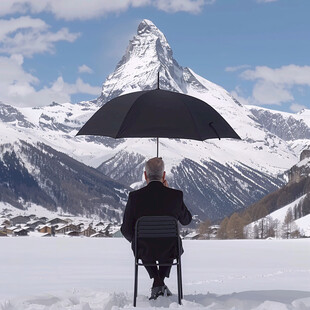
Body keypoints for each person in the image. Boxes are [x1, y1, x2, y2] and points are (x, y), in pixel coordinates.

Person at [121, 157, 192, 300]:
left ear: (145, 175)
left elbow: (126, 230)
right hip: (170, 247)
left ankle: (157, 282)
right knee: (174, 245)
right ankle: (159, 283)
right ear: (164, 175)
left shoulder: (135, 197)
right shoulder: (175, 196)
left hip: (144, 248)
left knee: (141, 245)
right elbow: (186, 220)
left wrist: (136, 240)